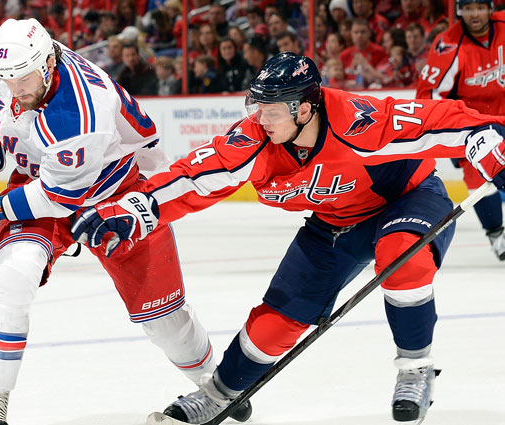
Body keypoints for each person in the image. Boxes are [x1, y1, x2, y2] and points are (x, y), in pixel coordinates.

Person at [71, 52, 505, 424]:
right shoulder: (255, 139)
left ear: (305, 108)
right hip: (335, 222)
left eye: (272, 109)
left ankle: (415, 368)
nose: (259, 118)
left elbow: (434, 119)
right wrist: (134, 208)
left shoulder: (358, 122)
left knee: (401, 257)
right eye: (257, 106)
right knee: (277, 322)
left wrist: (483, 135)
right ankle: (220, 393)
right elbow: (195, 177)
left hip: (407, 199)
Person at [0, 18, 251, 425]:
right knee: (12, 275)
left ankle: (210, 383)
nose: (15, 91)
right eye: (8, 80)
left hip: (118, 192)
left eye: (23, 80)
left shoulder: (80, 114)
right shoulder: (5, 59)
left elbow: (58, 200)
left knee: (164, 320)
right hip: (43, 175)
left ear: (47, 65)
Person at [416, 0, 505, 261]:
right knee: (480, 180)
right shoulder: (448, 45)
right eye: (468, 8)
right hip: (475, 123)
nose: (474, 14)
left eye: (479, 7)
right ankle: (497, 234)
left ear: (490, 8)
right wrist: (449, 132)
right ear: (459, 11)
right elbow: (428, 96)